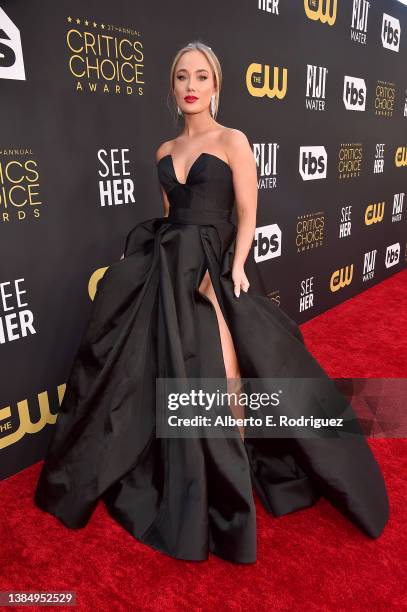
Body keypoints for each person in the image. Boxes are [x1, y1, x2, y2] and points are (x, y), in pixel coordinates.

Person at [34, 41, 389, 564]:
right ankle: (187, 468)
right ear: (173, 88)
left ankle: (236, 469)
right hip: (165, 267)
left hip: (216, 266)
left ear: (216, 85)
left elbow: (246, 214)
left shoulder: (233, 141)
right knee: (162, 371)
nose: (191, 85)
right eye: (182, 77)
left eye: (201, 76)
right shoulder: (161, 151)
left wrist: (237, 266)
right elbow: (168, 215)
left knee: (226, 372)